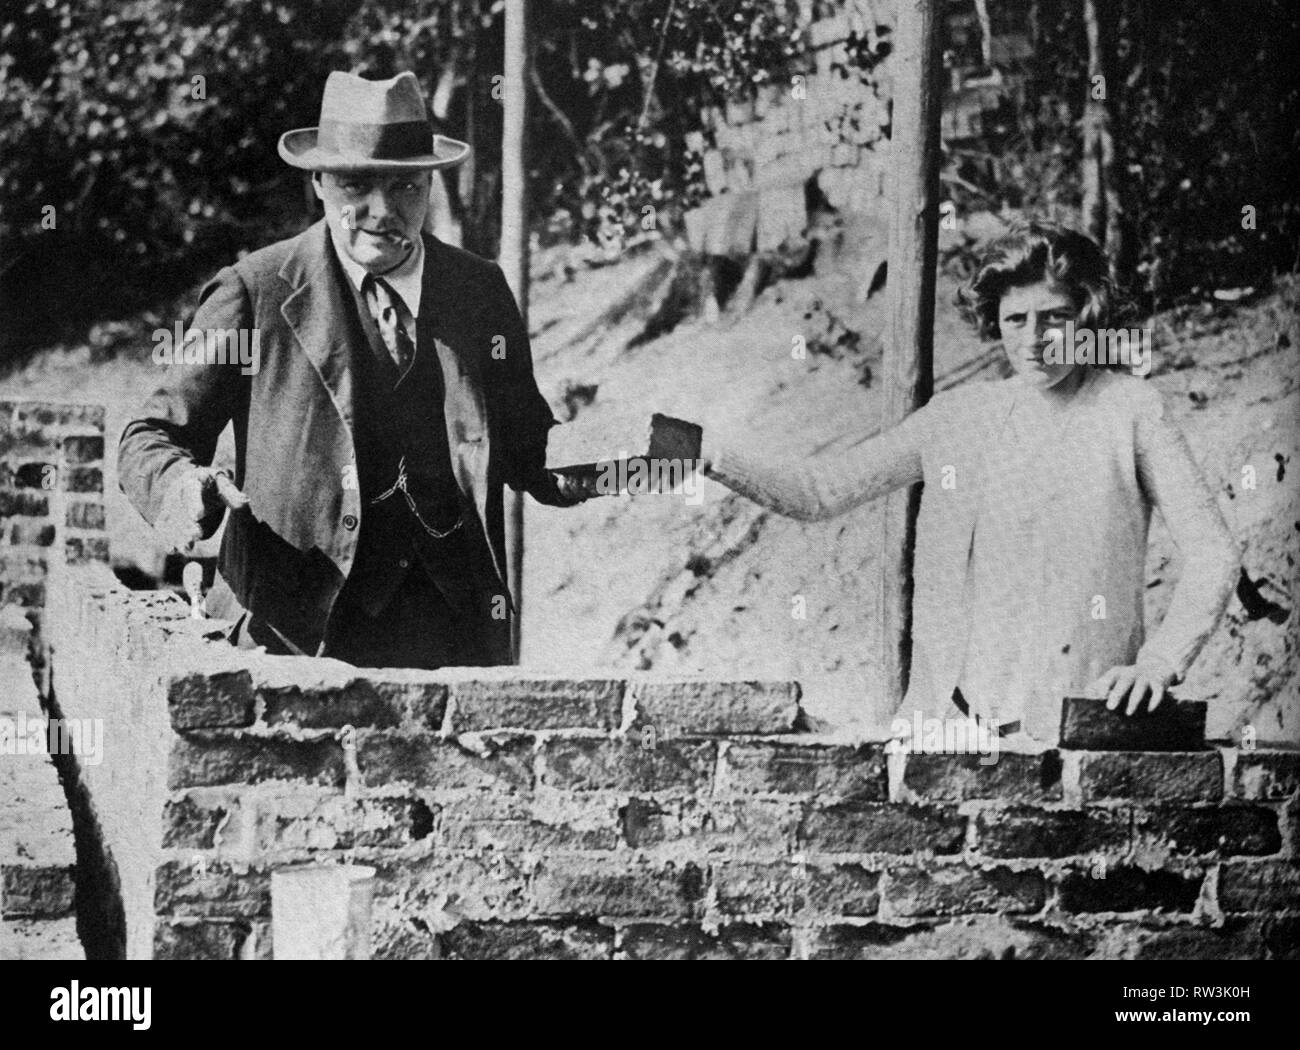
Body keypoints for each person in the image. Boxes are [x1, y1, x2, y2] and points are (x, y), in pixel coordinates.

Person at [653, 222, 1240, 738]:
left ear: (1086, 314)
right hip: (953, 724)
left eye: (1055, 317)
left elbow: (1214, 553)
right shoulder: (959, 417)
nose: (1034, 339)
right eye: (1016, 319)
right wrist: (707, 453)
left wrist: (1159, 664)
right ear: (996, 323)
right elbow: (820, 492)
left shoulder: (1130, 409)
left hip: (1078, 724)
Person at [120, 71, 590, 669]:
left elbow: (529, 450)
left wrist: (625, 462)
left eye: (406, 187)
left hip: (449, 640)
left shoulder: (480, 291)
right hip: (291, 640)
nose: (381, 212)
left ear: (429, 185)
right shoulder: (256, 292)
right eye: (354, 186)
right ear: (318, 181)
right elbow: (151, 436)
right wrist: (182, 489)